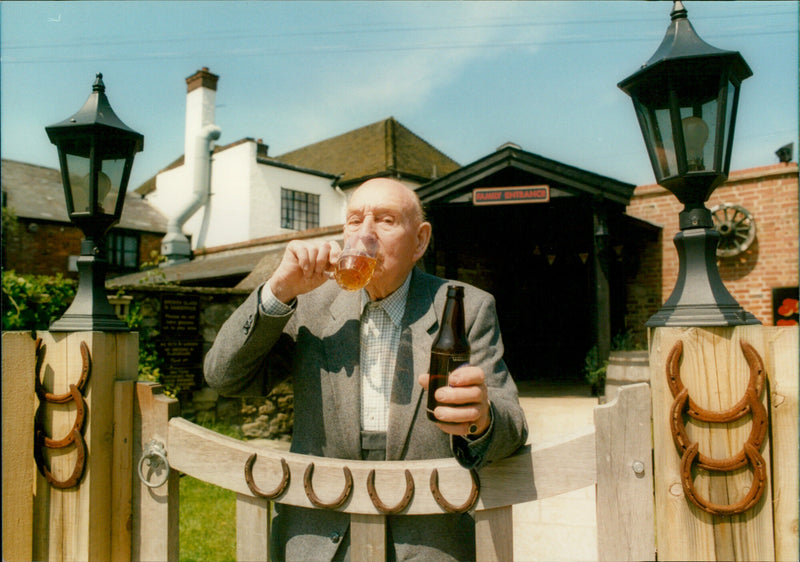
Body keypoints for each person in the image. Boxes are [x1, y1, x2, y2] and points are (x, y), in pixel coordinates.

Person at [204, 178, 528, 561]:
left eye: (386, 220)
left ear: (420, 241)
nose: (365, 234)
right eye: (354, 220)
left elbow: (513, 429)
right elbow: (224, 376)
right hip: (320, 536)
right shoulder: (309, 303)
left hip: (427, 540)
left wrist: (481, 419)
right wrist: (277, 291)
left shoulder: (465, 307)